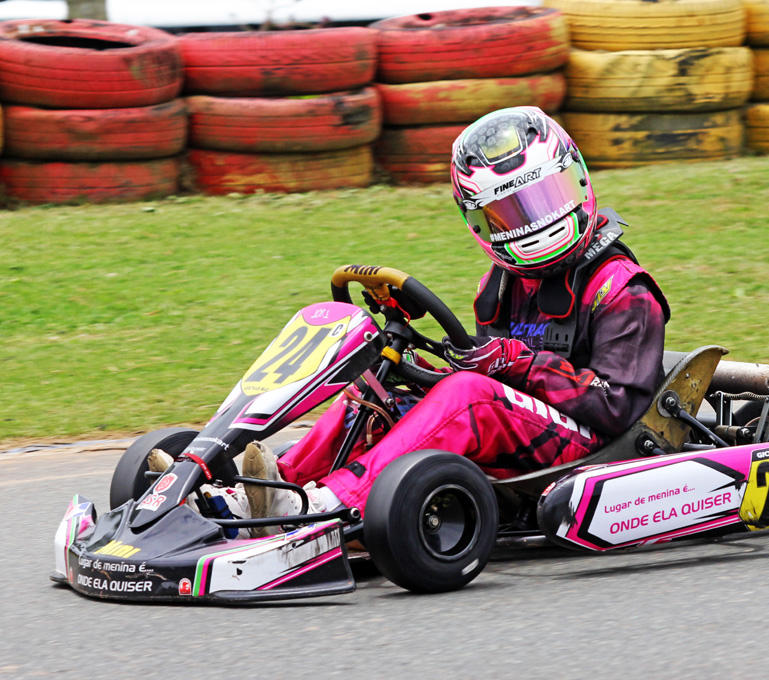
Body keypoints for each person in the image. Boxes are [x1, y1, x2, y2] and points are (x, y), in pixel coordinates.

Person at [159, 106, 670, 530]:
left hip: (596, 448)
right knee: (376, 390)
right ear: (482, 220)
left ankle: (323, 504)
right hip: (530, 425)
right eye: (511, 213)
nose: (534, 222)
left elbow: (615, 407)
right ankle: (266, 489)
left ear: (575, 181)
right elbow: (496, 379)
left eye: (544, 199)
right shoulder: (503, 282)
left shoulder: (621, 288)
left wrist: (514, 363)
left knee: (465, 397)